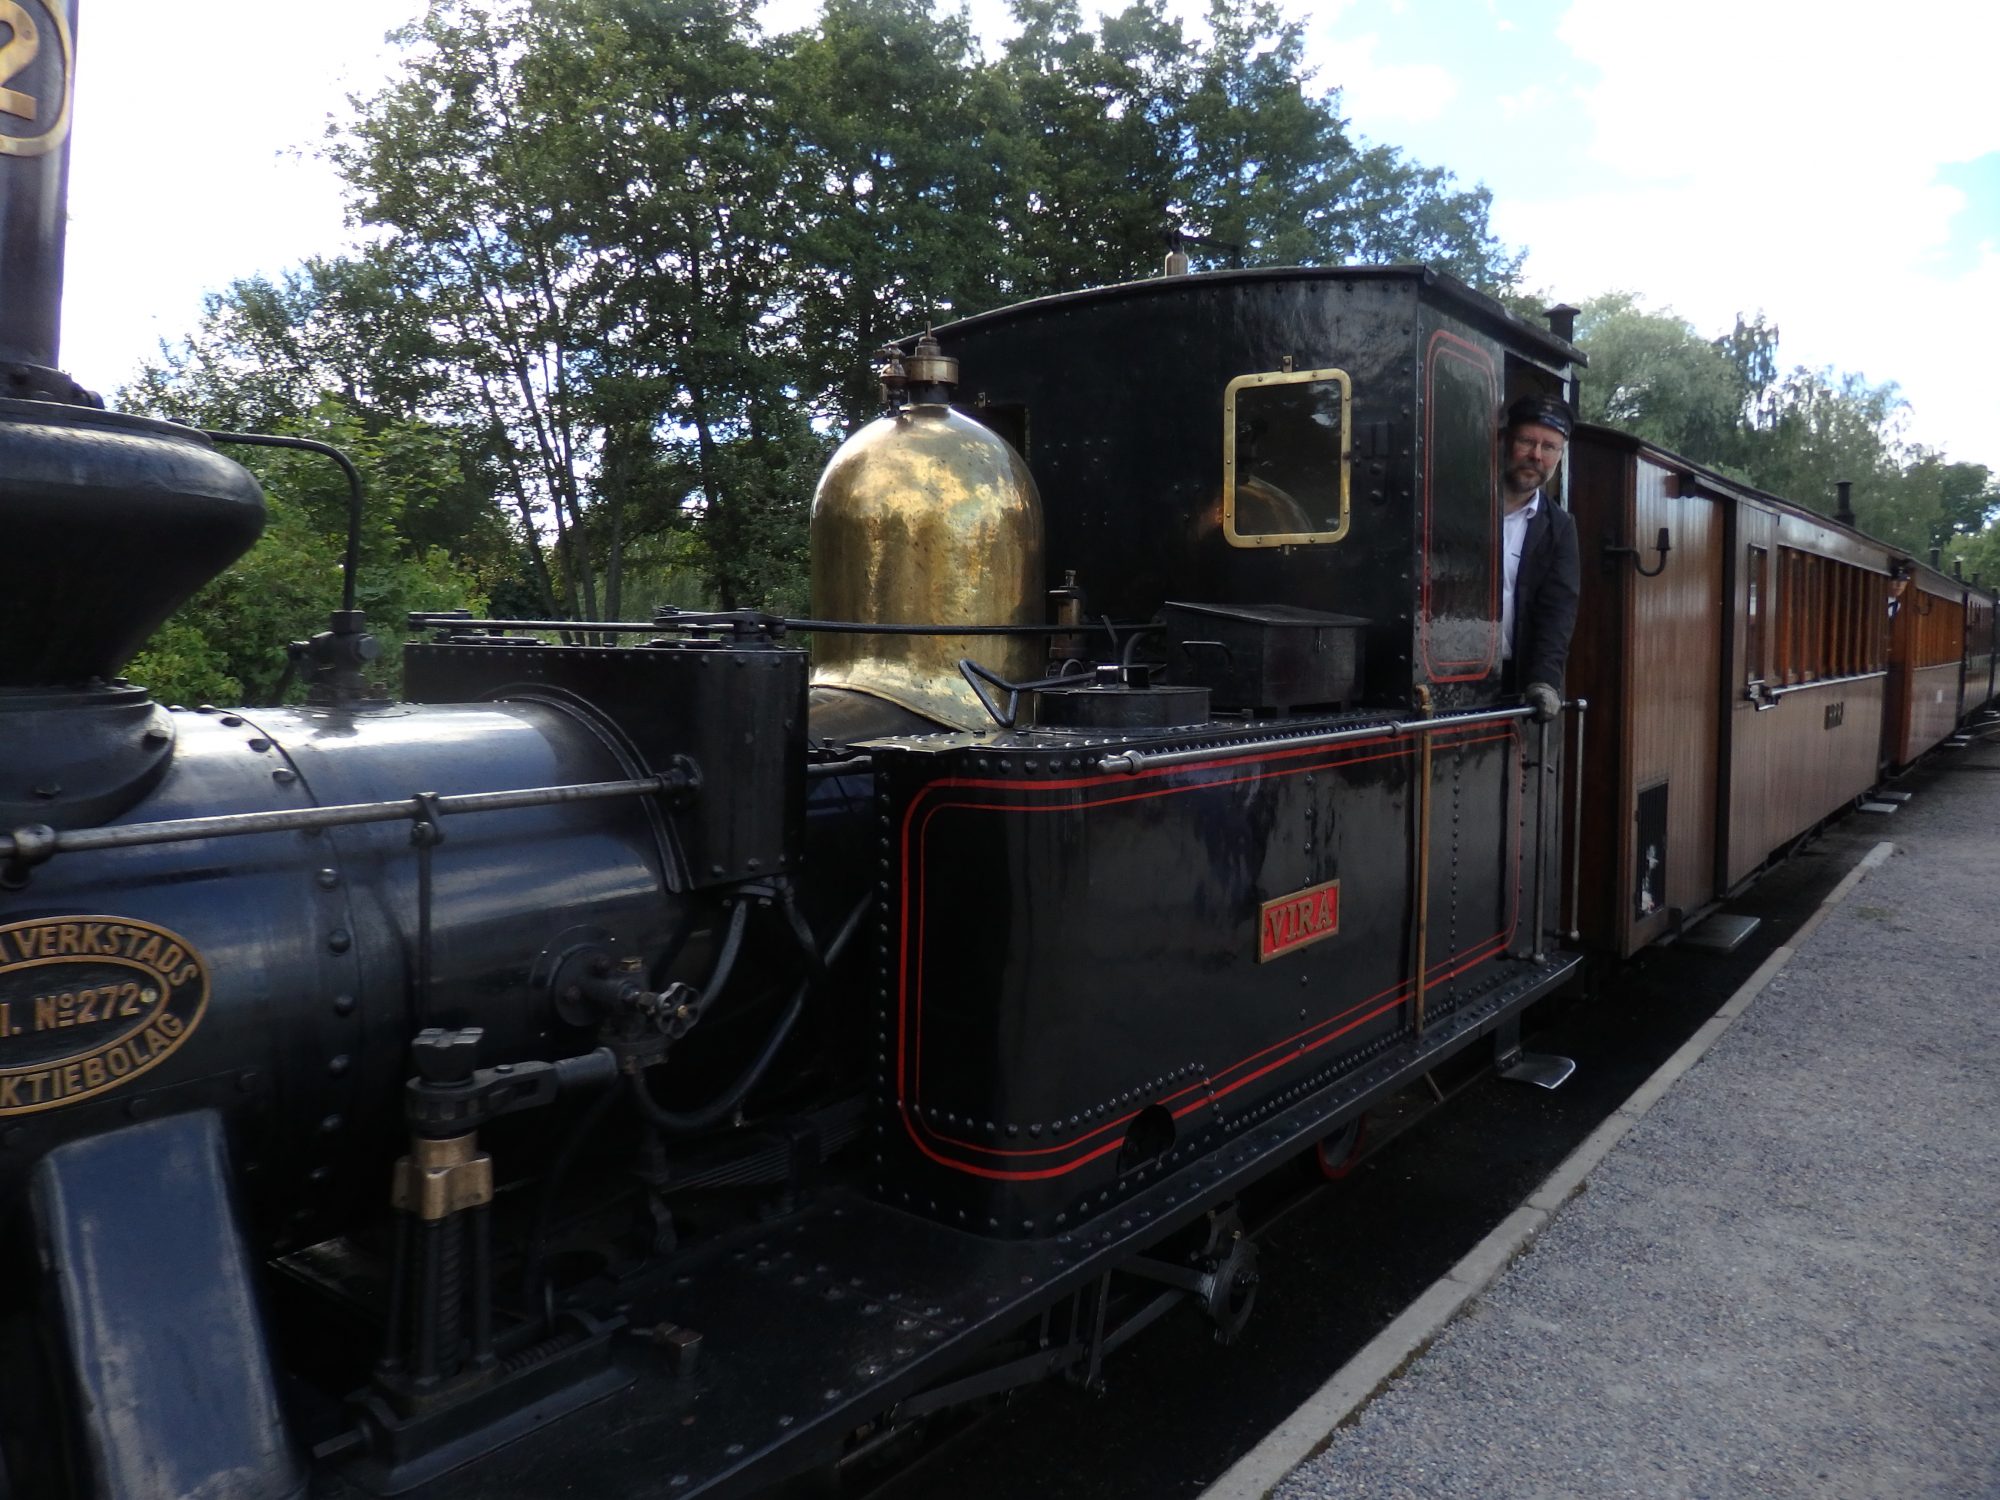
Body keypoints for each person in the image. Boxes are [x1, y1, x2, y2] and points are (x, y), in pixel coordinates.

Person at [1499, 394, 1581, 723]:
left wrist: (1545, 682)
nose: (1536, 455)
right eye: (1527, 441)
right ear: (1506, 441)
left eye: (1549, 448)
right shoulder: (1462, 504)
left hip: (1511, 683)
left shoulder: (1560, 528)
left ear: (1559, 456)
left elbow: (1557, 611)